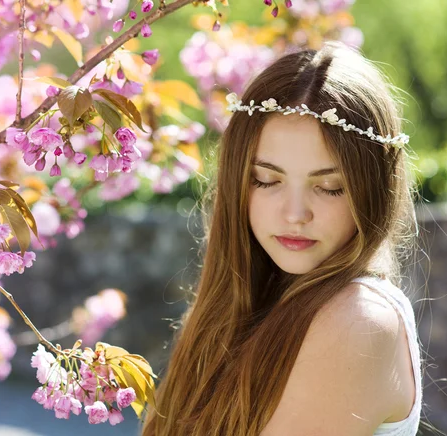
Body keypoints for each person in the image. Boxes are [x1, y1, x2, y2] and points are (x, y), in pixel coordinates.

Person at [141, 41, 423, 436]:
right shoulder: (244, 304)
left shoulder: (358, 320)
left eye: (329, 187)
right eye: (267, 180)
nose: (294, 214)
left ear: (373, 191)